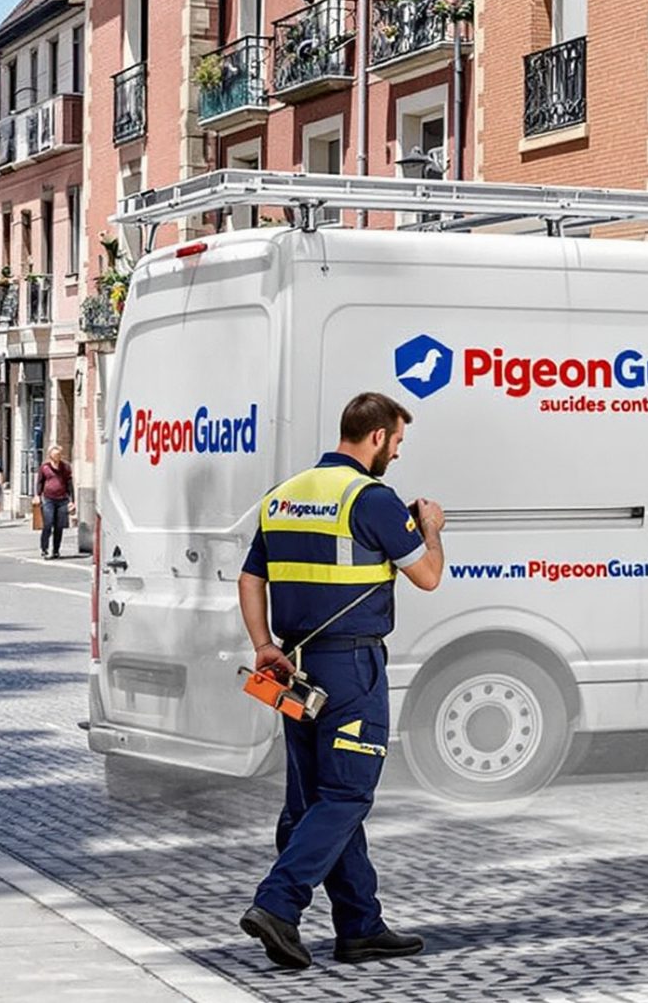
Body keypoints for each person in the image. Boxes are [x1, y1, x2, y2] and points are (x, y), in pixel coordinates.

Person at [236, 392, 446, 970]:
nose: (397, 455)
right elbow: (428, 576)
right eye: (397, 443)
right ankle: (278, 904)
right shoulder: (370, 499)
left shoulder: (283, 497)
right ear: (376, 437)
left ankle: (360, 927)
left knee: (317, 800)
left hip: (293, 669)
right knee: (348, 793)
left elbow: (250, 578)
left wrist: (264, 646)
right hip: (351, 668)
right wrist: (430, 528)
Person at [36, 446, 73, 558]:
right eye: (55, 454)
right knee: (48, 524)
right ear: (50, 455)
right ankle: (44, 548)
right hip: (48, 499)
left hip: (62, 500)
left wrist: (72, 500)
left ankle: (56, 550)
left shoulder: (65, 467)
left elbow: (69, 484)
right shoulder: (45, 467)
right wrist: (37, 495)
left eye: (59, 454)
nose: (57, 456)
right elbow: (40, 482)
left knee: (59, 526)